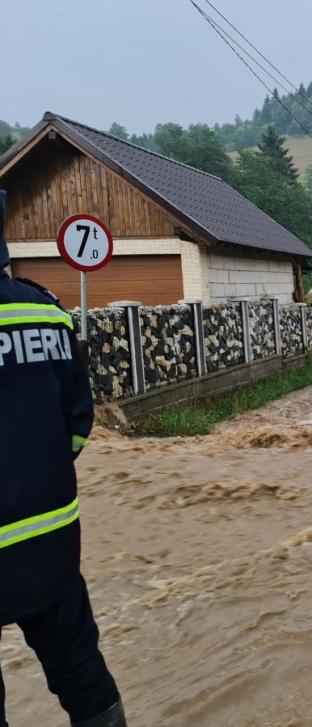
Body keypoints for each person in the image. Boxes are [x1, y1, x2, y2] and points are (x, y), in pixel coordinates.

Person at [0, 188, 126, 726]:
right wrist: (38, 467)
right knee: (80, 669)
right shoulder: (46, 315)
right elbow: (79, 420)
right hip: (50, 540)